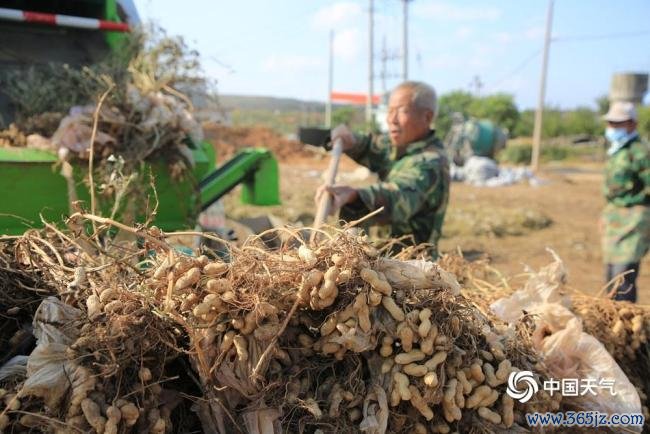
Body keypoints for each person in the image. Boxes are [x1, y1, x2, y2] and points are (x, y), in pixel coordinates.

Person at [315, 81, 450, 258]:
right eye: (389, 111)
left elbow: (398, 195)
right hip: (383, 260)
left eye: (401, 111)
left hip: (413, 270)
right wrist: (350, 139)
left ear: (427, 117)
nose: (391, 120)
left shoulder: (431, 163)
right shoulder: (401, 145)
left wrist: (356, 196)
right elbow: (372, 145)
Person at [601, 101, 650, 302]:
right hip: (614, 218)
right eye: (611, 123)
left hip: (635, 218)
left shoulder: (640, 152)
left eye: (618, 123)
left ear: (632, 124)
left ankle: (628, 325)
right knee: (611, 276)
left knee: (623, 276)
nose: (613, 128)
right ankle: (613, 323)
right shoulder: (617, 151)